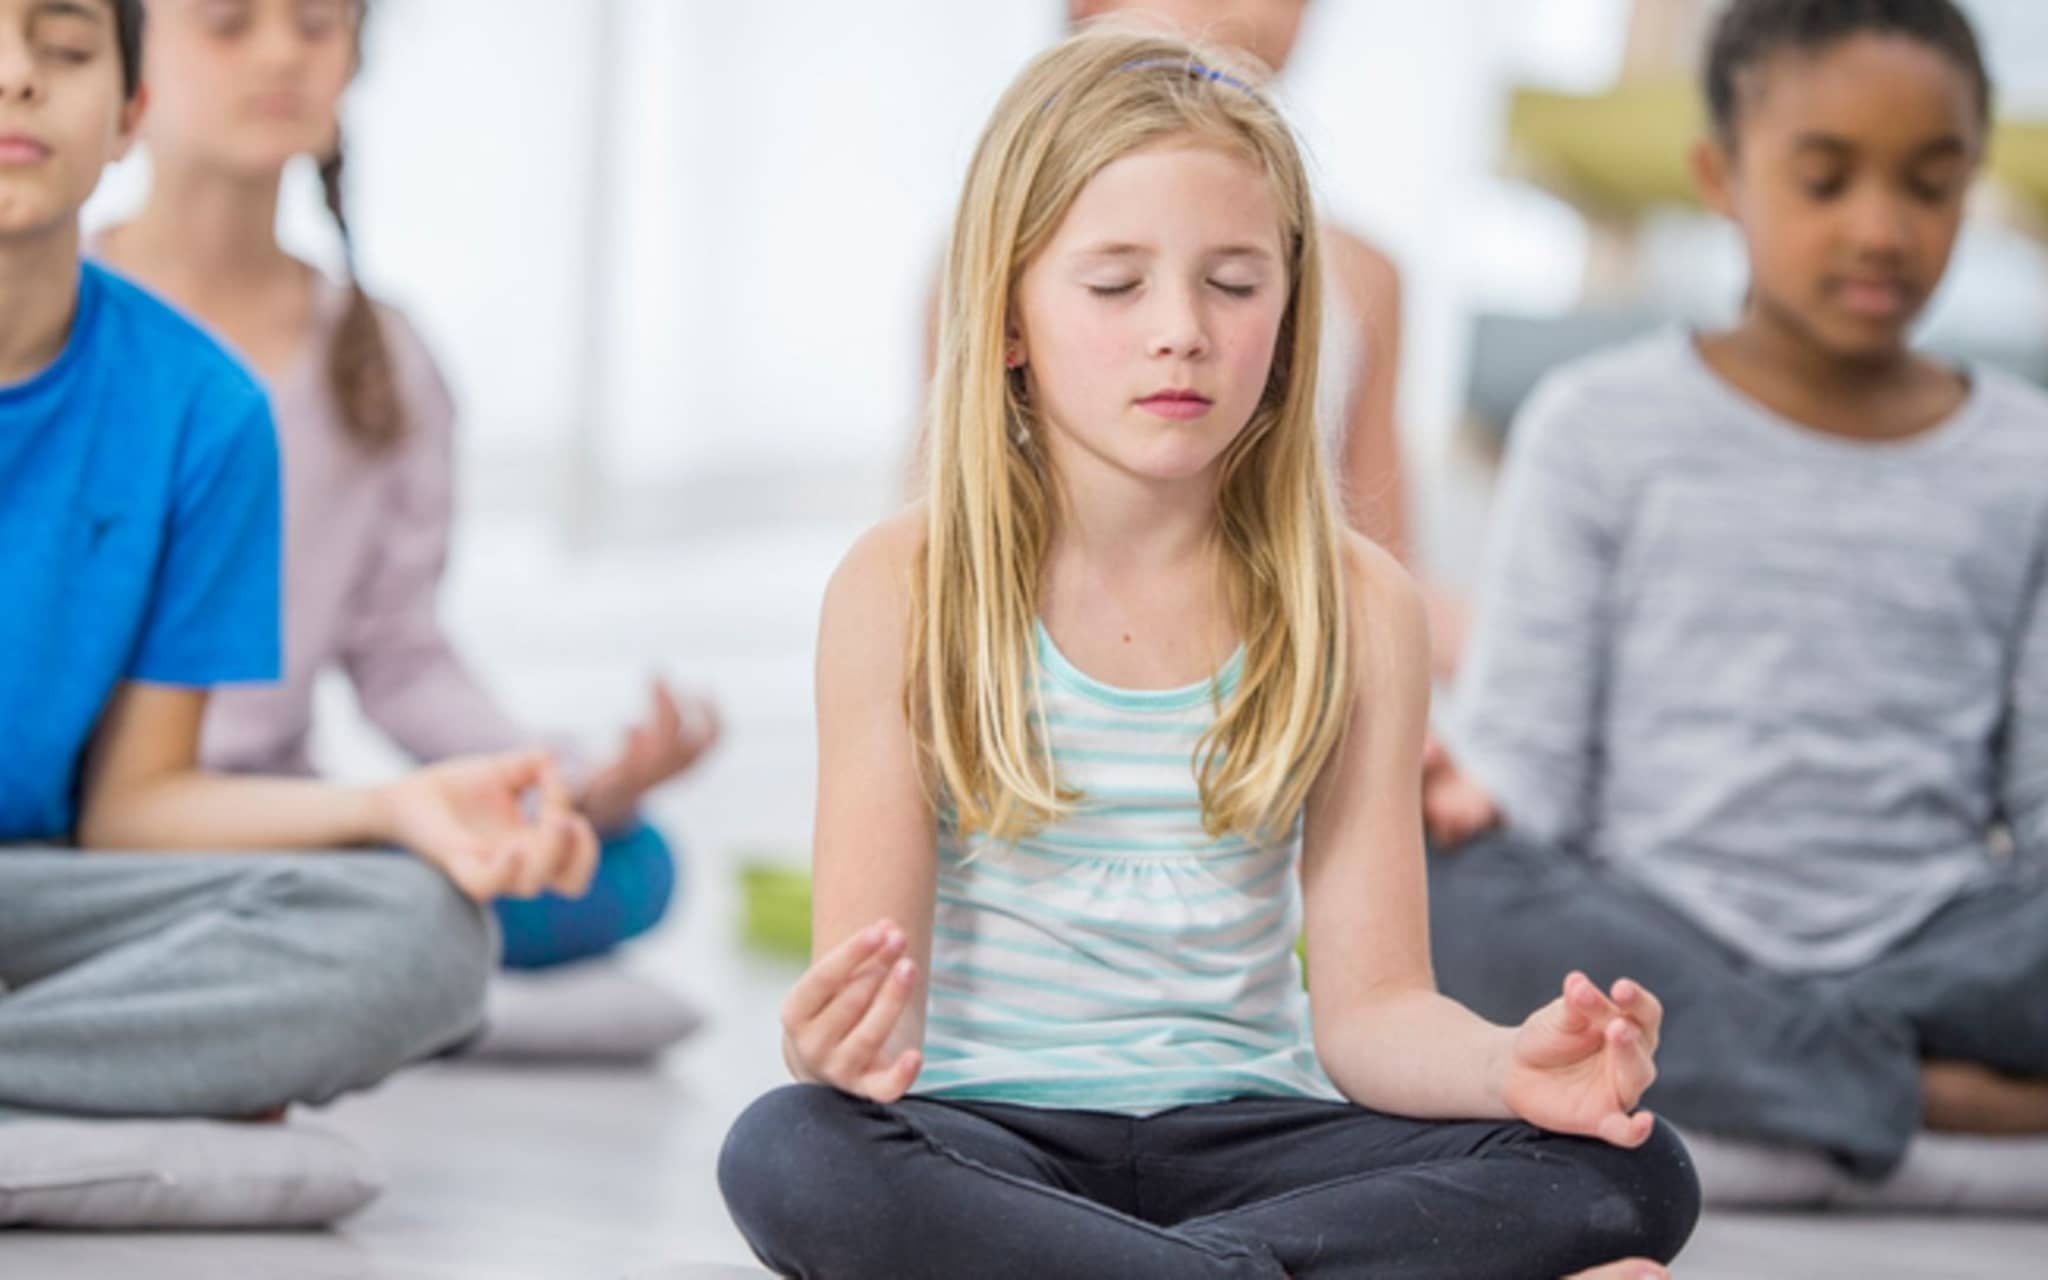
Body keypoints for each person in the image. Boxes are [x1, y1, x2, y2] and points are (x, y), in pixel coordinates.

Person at [719, 28, 1697, 1278]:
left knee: (1632, 1164)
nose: (1179, 329)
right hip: (982, 1134)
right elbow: (868, 993)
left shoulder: (1357, 603)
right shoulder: (902, 583)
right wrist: (835, 1045)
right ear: (1008, 316)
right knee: (788, 1147)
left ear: (1290, 326)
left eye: (1232, 284)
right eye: (1113, 285)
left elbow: (1370, 1009)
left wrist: (1506, 1062)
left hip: (1254, 1132)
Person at [1425, 0, 2048, 1181]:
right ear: (1720, 175)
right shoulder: (1595, 425)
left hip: (1929, 944)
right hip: (1654, 946)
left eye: (1928, 185)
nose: (1879, 228)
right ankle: (1921, 1095)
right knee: (1437, 886)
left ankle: (1789, 1079)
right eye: (1824, 181)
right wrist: (1460, 800)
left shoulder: (2029, 456)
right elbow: (1527, 777)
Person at [0, 0, 593, 1124]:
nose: (17, 79)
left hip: (51, 880)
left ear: (127, 109)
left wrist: (397, 803)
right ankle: (130, 1043)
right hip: (85, 899)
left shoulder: (207, 408)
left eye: (64, 49)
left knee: (422, 933)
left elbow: (133, 805)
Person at [94, 0, 718, 973]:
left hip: (271, 823)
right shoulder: (52, 320)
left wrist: (562, 775)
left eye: (316, 24)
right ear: (125, 65)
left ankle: (252, 972)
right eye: (226, 22)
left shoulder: (380, 362)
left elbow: (400, 655)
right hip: (80, 821)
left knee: (625, 862)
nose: (280, 54)